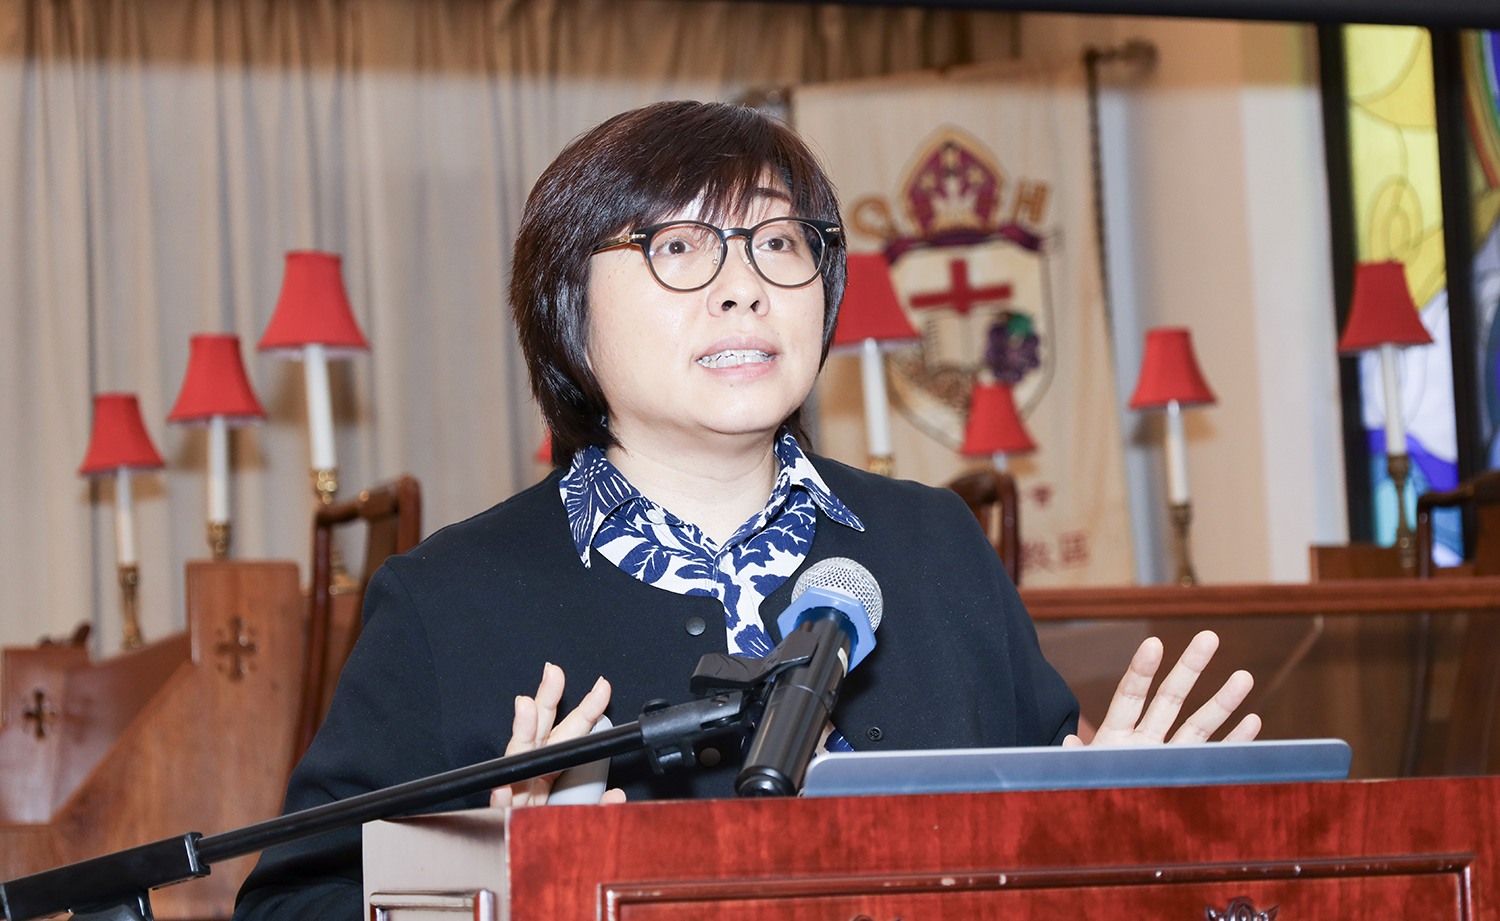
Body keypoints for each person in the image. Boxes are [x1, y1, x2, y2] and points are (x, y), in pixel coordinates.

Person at [233, 100, 1258, 919]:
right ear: (568, 310)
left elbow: (1037, 863)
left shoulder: (933, 544)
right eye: (680, 247)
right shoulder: (447, 601)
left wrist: (1122, 827)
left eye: (778, 242)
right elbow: (289, 904)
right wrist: (492, 880)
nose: (744, 288)